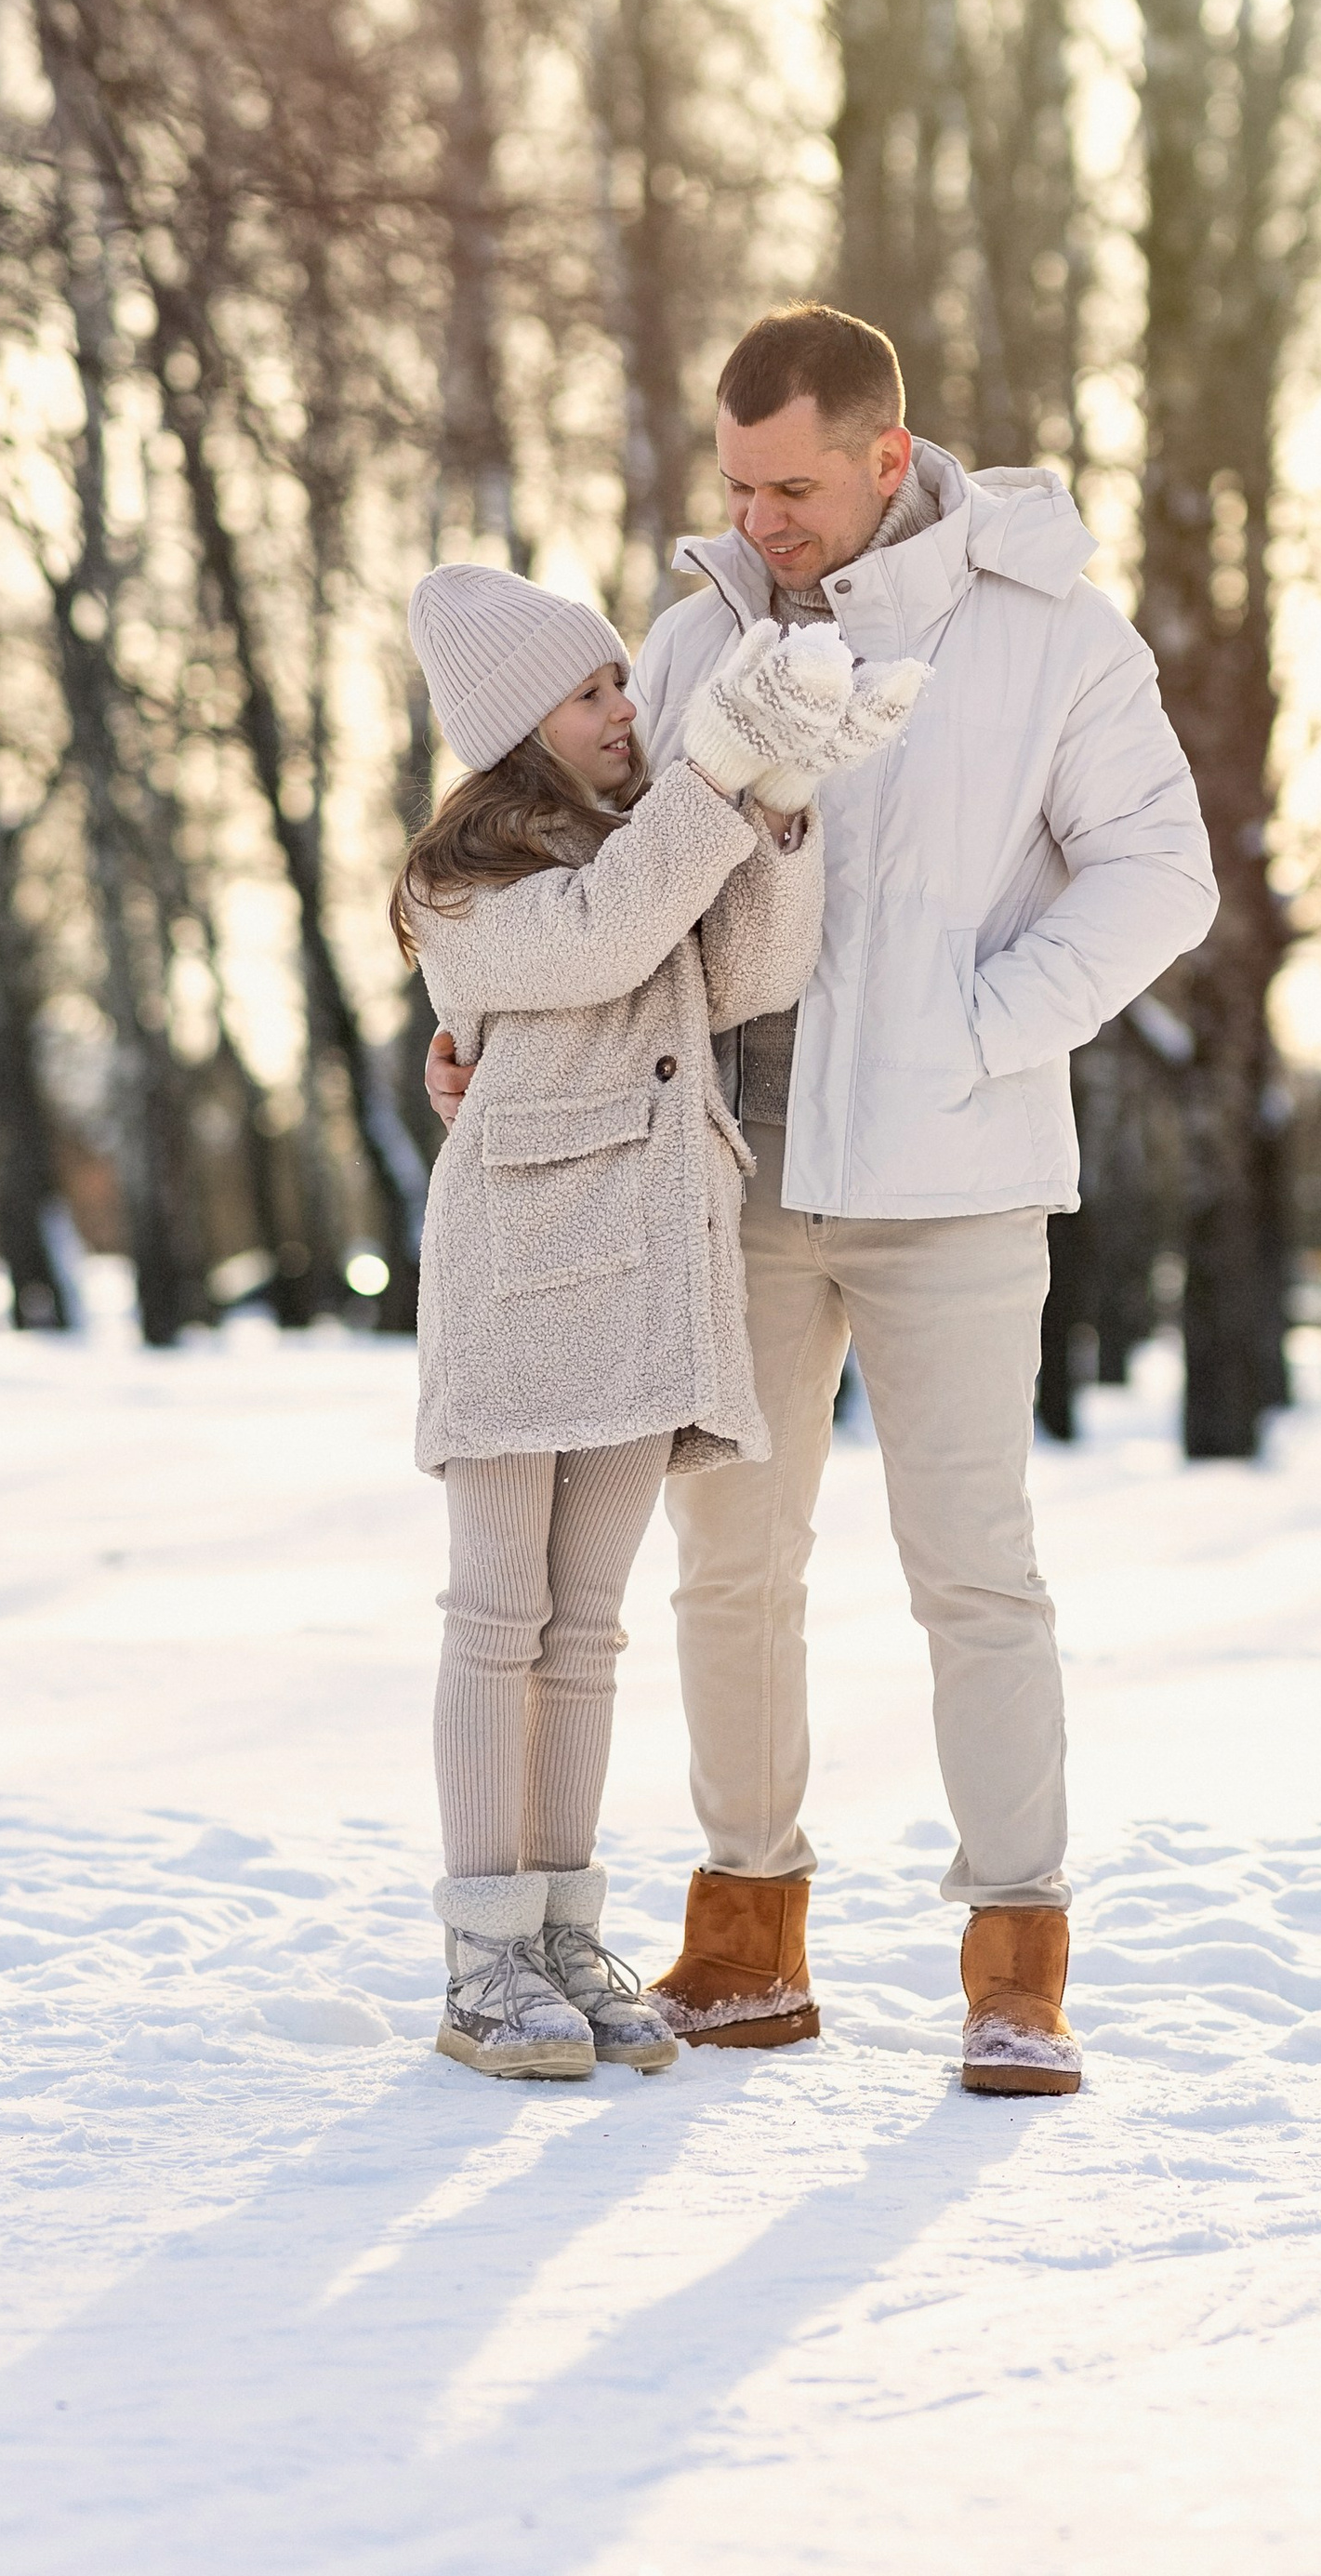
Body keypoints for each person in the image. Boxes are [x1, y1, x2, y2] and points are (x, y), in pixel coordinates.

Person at [427, 307, 1217, 2097]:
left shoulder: (1051, 635)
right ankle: (747, 1932)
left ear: (886, 454)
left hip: (957, 1178)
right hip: (738, 1171)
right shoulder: (704, 633)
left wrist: (979, 1029)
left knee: (975, 1569)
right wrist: (472, 1044)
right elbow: (582, 886)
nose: (761, 518)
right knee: (731, 1564)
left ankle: (1017, 1955)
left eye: (792, 486)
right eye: (737, 486)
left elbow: (1163, 873)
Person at [394, 558, 922, 2081]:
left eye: (629, 681)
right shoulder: (462, 886)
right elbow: (609, 937)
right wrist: (712, 772)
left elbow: (753, 969)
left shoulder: (649, 839)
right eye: (595, 690)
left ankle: (557, 1925)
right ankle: (482, 1950)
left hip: (646, 1269)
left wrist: (780, 805)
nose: (629, 707)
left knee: (587, 1626)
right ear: (518, 726)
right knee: (499, 1614)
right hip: (517, 1277)